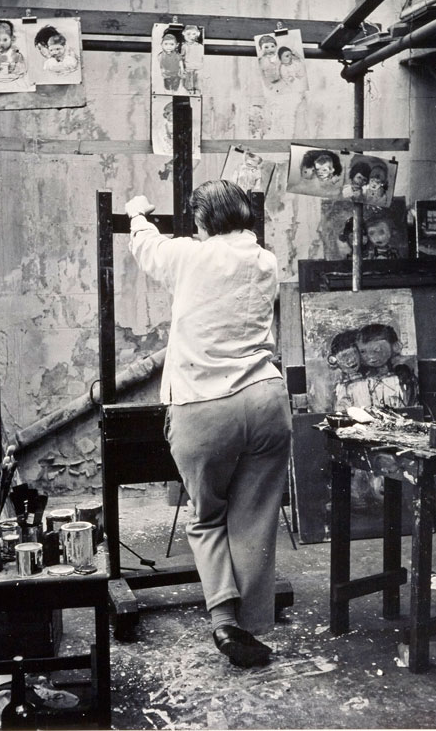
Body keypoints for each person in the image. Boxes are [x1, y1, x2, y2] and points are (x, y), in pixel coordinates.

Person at [125, 180, 292, 668]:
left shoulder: (188, 257)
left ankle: (223, 619)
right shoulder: (266, 262)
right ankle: (254, 624)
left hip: (203, 407)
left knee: (207, 517)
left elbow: (147, 247)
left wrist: (138, 213)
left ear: (201, 223)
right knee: (254, 517)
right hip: (265, 401)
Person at [330, 324, 417, 411]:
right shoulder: (352, 384)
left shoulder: (401, 376)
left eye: (377, 350)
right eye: (363, 352)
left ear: (396, 347)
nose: (370, 356)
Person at [0, 19, 28, 88]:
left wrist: (15, 69)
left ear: (12, 39)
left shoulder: (17, 55)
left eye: (5, 40)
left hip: (15, 83)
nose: (1, 43)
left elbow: (23, 69)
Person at [181, 24, 204, 94]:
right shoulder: (184, 46)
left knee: (197, 81)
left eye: (193, 34)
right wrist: (182, 68)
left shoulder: (200, 46)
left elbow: (202, 57)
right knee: (188, 82)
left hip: (198, 67)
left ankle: (197, 90)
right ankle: (189, 90)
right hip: (188, 67)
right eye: (188, 34)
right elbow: (182, 57)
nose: (191, 36)